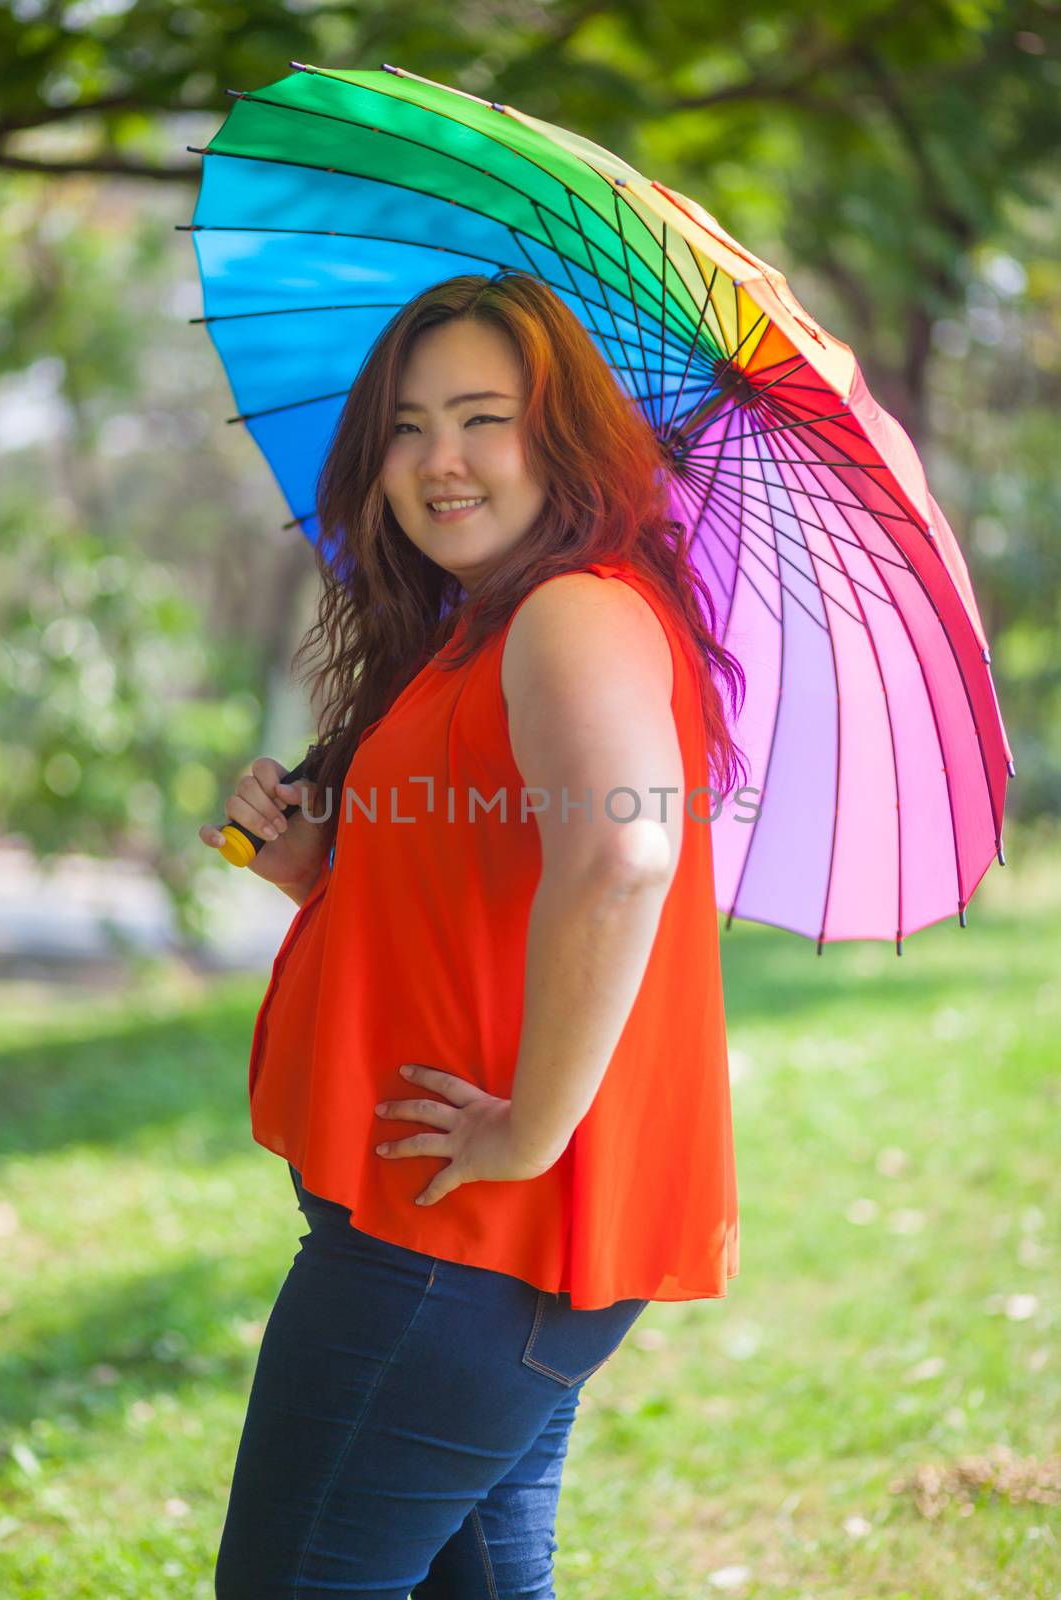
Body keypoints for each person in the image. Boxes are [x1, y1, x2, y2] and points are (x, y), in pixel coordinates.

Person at [199, 270, 746, 1599]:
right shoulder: (486, 628)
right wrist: (313, 872)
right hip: (454, 1240)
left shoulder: (574, 613)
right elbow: (491, 884)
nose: (436, 459)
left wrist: (529, 1130)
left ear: (561, 442)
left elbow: (621, 858)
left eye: (483, 418)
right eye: (406, 423)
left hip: (459, 1243)